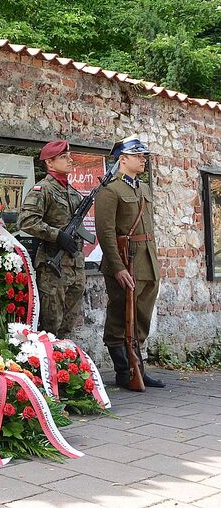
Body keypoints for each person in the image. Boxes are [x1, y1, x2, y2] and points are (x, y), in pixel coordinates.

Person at [94, 136, 164, 390]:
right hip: (125, 262)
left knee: (142, 316)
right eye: (137, 155)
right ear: (122, 159)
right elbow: (106, 233)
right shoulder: (110, 191)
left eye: (143, 155)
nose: (142, 159)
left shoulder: (143, 189)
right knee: (119, 315)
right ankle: (125, 371)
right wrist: (118, 267)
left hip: (146, 262)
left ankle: (139, 367)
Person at [18, 140, 85, 339]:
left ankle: (66, 367)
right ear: (50, 163)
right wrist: (57, 235)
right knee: (50, 328)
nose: (70, 160)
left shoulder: (73, 193)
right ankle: (49, 367)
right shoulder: (43, 190)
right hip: (53, 268)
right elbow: (26, 221)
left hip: (75, 266)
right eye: (63, 157)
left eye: (69, 156)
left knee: (67, 329)